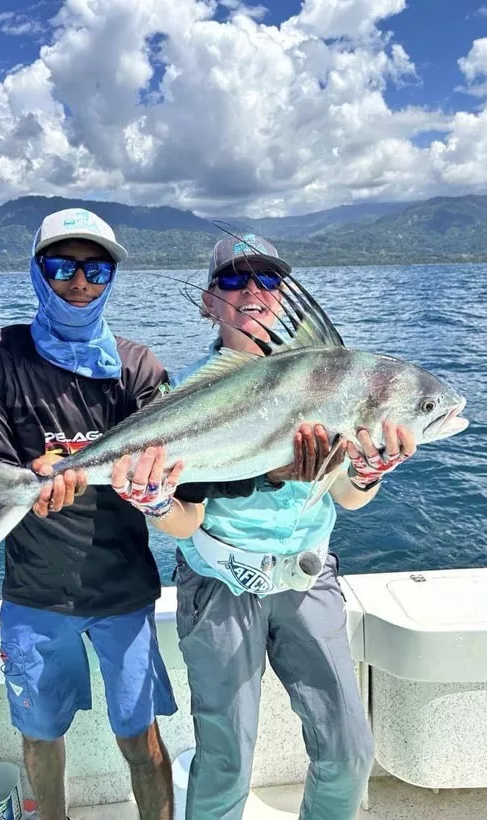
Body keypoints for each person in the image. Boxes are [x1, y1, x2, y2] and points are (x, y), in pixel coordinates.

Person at [112, 233, 417, 820]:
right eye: (232, 279)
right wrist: (153, 504)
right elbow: (186, 519)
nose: (251, 290)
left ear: (284, 296)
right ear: (208, 300)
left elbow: (349, 498)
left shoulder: (333, 378)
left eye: (268, 279)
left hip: (308, 578)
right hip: (218, 584)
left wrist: (369, 470)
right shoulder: (188, 394)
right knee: (225, 758)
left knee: (350, 750)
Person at [0, 207, 191, 820]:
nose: (80, 281)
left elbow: (167, 458)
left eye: (96, 268)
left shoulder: (141, 368)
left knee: (142, 739)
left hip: (123, 588)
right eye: (62, 266)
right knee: (40, 737)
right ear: (37, 271)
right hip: (34, 592)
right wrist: (27, 482)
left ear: (111, 277)